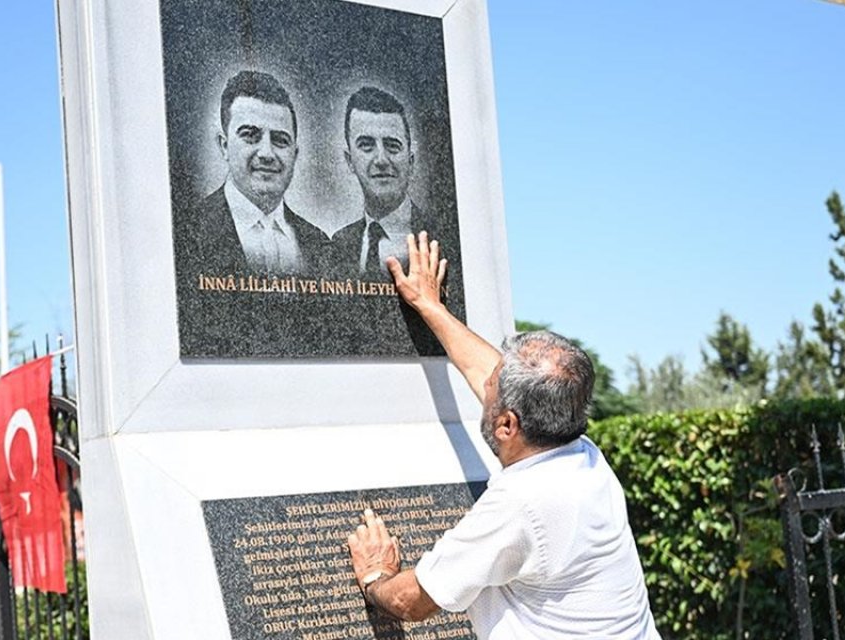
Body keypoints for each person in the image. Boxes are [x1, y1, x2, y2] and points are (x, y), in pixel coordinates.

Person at [345, 232, 660, 639]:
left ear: (507, 425)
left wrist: (376, 577)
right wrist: (429, 305)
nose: (485, 384)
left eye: (491, 387)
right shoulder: (580, 453)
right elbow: (486, 371)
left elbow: (413, 601)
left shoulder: (523, 503)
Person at [182, 70, 328, 275]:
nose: (267, 153)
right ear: (224, 146)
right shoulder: (187, 230)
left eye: (280, 140)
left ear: (294, 154)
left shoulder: (319, 244)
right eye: (250, 135)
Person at [330, 87, 443, 279]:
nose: (381, 160)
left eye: (392, 146)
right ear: (350, 161)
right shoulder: (337, 245)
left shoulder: (442, 237)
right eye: (366, 145)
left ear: (411, 161)